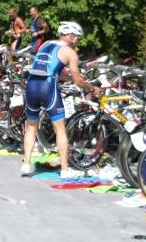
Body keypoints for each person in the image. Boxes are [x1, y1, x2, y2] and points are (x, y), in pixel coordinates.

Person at [20, 21, 101, 179]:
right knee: (60, 128)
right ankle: (65, 169)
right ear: (70, 36)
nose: (78, 42)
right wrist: (92, 88)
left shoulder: (45, 44)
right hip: (48, 86)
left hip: (32, 84)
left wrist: (69, 78)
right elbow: (78, 80)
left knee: (31, 126)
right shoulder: (70, 52)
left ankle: (26, 164)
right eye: (77, 38)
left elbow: (50, 68)